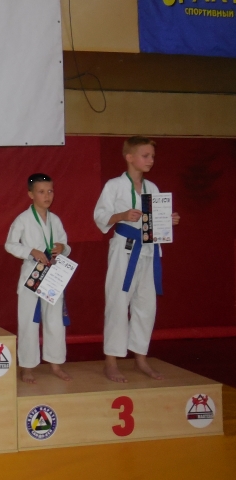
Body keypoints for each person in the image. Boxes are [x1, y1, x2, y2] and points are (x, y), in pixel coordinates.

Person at [94, 136, 180, 382]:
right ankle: (111, 361)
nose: (150, 160)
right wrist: (121, 215)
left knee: (146, 306)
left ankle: (140, 358)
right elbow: (100, 216)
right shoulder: (114, 185)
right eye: (145, 155)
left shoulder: (152, 188)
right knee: (118, 303)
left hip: (149, 250)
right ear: (129, 157)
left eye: (152, 156)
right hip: (125, 248)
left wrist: (168, 221)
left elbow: (155, 222)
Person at [5, 173, 71, 384]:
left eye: (50, 191)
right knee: (28, 322)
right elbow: (10, 244)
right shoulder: (23, 219)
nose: (47, 196)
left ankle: (55, 363)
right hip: (32, 275)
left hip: (53, 275)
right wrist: (30, 251)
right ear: (31, 194)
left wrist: (62, 247)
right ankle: (26, 366)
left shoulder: (55, 220)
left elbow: (65, 245)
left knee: (55, 321)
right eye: (41, 192)